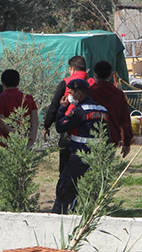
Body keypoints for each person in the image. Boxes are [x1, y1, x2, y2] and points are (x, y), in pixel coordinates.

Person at [51, 78, 108, 214]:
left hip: (79, 157)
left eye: (70, 93)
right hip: (97, 157)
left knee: (64, 191)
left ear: (79, 94)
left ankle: (57, 218)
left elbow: (60, 126)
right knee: (90, 193)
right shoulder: (102, 109)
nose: (69, 96)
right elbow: (107, 135)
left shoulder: (80, 111)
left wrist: (62, 108)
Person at [43, 55, 89, 172]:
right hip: (87, 127)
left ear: (72, 68)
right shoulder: (90, 83)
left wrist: (46, 126)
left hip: (68, 126)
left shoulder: (66, 83)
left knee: (65, 164)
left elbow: (54, 106)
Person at [88, 60, 133, 157]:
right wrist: (127, 142)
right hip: (112, 138)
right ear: (110, 76)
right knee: (108, 168)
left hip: (91, 138)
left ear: (95, 75)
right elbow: (125, 120)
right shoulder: (118, 94)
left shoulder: (89, 93)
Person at [0, 69, 38, 148]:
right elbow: (34, 121)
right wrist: (31, 139)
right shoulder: (28, 98)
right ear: (18, 82)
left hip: (5, 142)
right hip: (25, 141)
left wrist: (16, 136)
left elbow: (2, 123)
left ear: (2, 82)